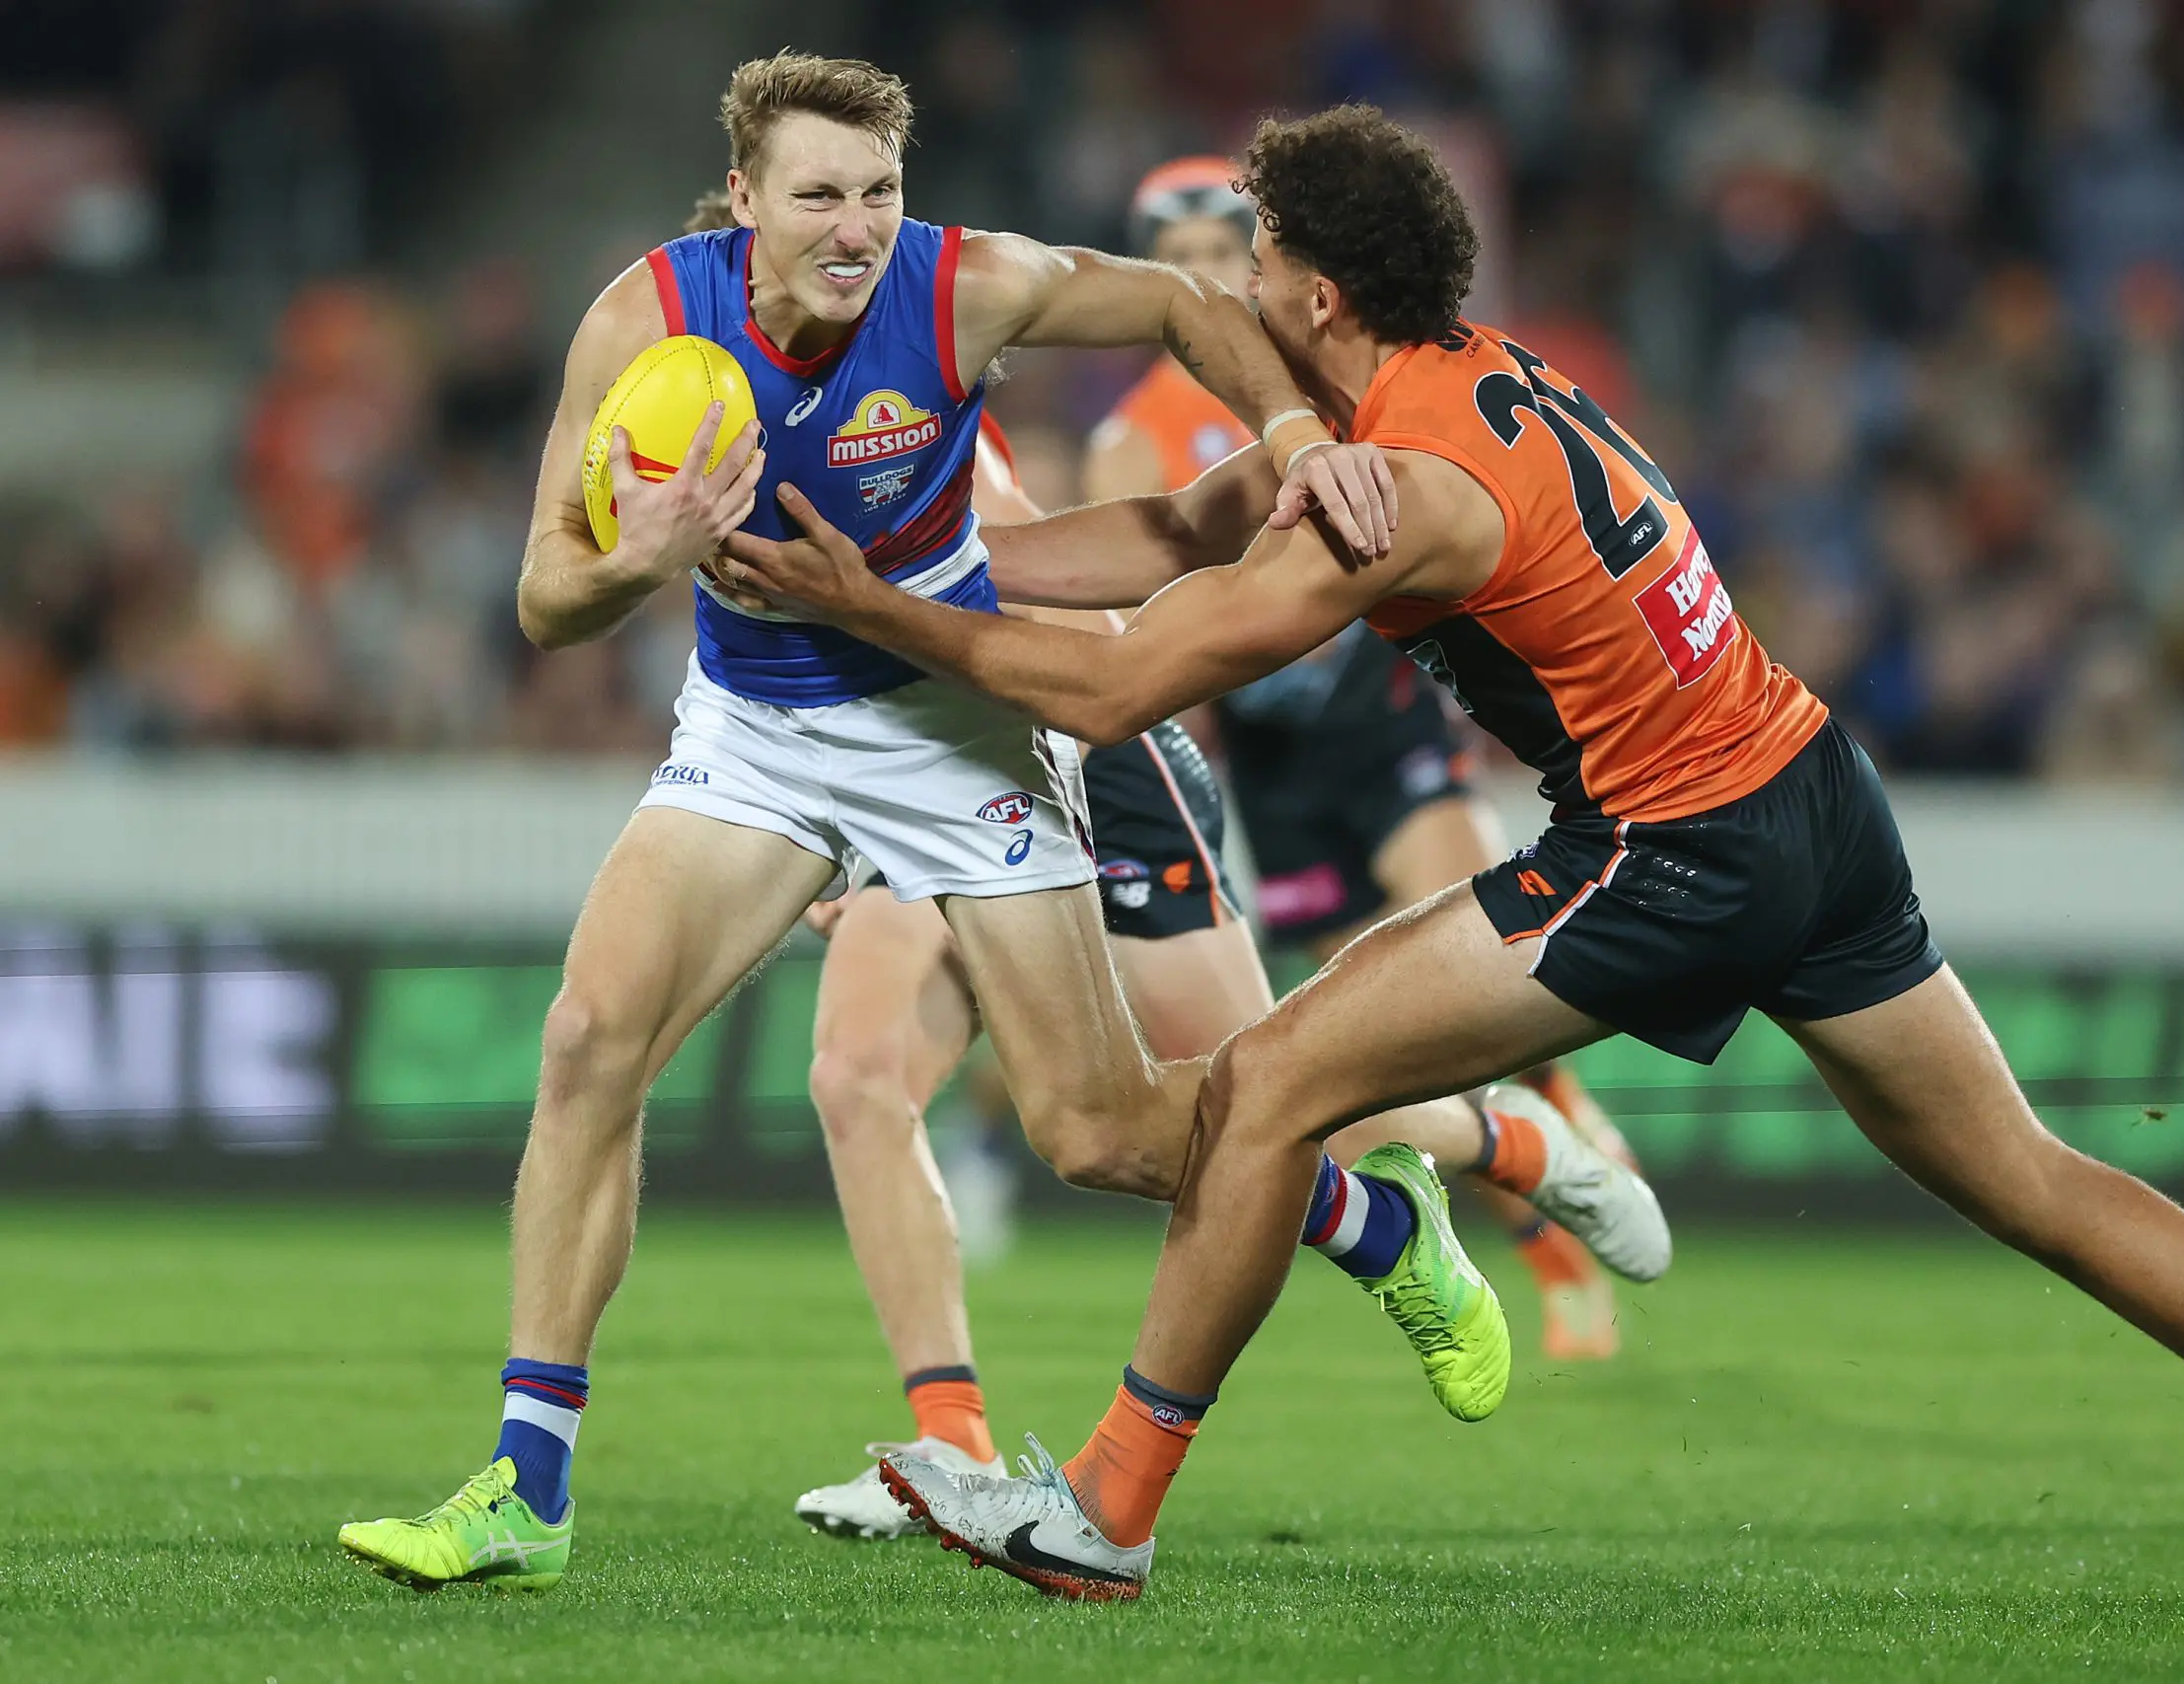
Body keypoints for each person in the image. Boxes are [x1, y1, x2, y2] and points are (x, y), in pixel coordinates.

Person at [716, 105, 2184, 1622]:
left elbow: (1117, 681)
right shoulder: (1477, 383)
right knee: (2023, 1169)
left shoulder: (1397, 483)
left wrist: (871, 611)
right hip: (1809, 788)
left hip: (1673, 845)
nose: (1237, 286)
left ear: (1315, 293)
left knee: (1260, 1090)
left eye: (1258, 259)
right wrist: (942, 563)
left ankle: (1103, 1514)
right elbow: (1176, 537)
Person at [336, 57, 1655, 1593]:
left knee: (1097, 1128)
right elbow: (543, 597)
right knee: (589, 1041)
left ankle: (1370, 1210)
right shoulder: (645, 321)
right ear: (745, 199)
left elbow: (1180, 305)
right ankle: (529, 1487)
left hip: (959, 724)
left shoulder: (961, 289)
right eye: (819, 194)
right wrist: (652, 555)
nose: (854, 226)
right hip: (757, 733)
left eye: (879, 192)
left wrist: (1300, 445)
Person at [656, 185, 1659, 1543]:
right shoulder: (732, 408)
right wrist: (841, 809)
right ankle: (945, 1437)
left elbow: (1024, 589)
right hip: (925, 767)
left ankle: (1487, 1143)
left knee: (1232, 1096)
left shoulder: (909, 374)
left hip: (1075, 759)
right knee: (859, 1072)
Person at [1089, 158, 1635, 1363]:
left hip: (1376, 717)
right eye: (1167, 255)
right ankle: (1525, 1157)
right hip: (1276, 765)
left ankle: (1562, 1221)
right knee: (1378, 1032)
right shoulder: (1130, 437)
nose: (1197, 275)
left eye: (1219, 251)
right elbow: (1148, 623)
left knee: (1491, 969)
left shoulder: (1320, 386)